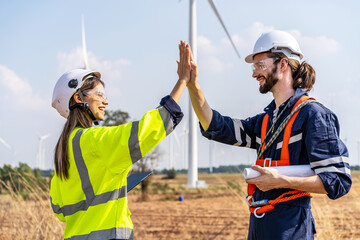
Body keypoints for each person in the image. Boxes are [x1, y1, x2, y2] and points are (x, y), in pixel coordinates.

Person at [184, 30, 352, 239]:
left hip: (291, 229)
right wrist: (193, 86)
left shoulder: (314, 116)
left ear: (283, 64)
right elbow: (217, 126)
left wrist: (280, 180)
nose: (254, 74)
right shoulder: (266, 120)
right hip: (260, 227)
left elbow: (338, 181)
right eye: (254, 67)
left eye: (260, 65)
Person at [50, 41, 192, 240]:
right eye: (99, 95)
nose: (106, 101)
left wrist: (106, 184)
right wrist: (183, 81)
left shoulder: (62, 153)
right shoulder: (95, 141)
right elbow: (146, 131)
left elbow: (59, 210)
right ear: (78, 98)